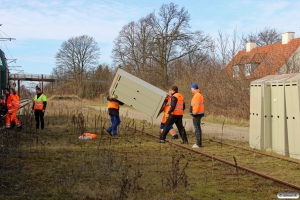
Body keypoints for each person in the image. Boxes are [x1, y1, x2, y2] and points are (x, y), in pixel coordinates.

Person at [190, 84, 204, 148]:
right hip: (198, 113)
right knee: (197, 128)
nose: (191, 90)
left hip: (197, 114)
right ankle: (198, 143)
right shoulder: (198, 95)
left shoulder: (197, 95)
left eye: (191, 88)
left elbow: (196, 106)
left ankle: (198, 143)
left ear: (195, 89)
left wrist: (194, 113)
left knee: (197, 128)